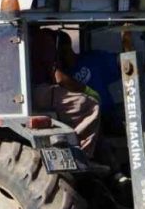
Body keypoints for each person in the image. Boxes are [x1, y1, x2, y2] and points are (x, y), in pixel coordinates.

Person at [30, 27, 100, 155]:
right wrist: (87, 90)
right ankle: (81, 153)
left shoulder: (6, 38)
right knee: (90, 105)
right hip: (37, 91)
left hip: (20, 95)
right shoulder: (43, 39)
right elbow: (59, 78)